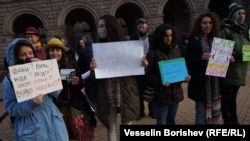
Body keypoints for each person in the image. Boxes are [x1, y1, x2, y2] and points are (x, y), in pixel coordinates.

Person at [89, 14, 148, 141]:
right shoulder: (98, 48)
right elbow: (94, 78)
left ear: (111, 26)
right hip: (107, 93)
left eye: (103, 26)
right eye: (99, 26)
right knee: (111, 128)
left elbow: (138, 71)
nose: (100, 29)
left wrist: (143, 64)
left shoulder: (127, 43)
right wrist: (93, 69)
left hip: (126, 91)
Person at [2, 38, 68, 140]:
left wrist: (44, 71)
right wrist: (31, 104)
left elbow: (57, 91)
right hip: (31, 128)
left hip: (53, 122)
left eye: (30, 53)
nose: (28, 57)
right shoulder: (9, 80)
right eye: (22, 55)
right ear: (14, 57)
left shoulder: (43, 68)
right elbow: (11, 108)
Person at [44, 37, 96, 141]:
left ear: (62, 52)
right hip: (55, 109)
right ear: (48, 52)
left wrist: (78, 82)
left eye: (57, 50)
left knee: (79, 135)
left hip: (74, 106)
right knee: (62, 136)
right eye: (52, 50)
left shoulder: (70, 65)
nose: (55, 53)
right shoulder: (44, 69)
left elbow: (81, 83)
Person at [145, 23, 191, 125]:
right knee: (162, 122)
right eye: (166, 36)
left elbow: (181, 69)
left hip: (175, 93)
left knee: (172, 121)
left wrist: (185, 77)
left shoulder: (177, 51)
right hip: (161, 95)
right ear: (160, 37)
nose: (169, 38)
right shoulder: (153, 53)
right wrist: (161, 81)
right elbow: (147, 76)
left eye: (170, 35)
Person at [185, 12, 222, 125]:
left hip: (214, 83)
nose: (208, 25)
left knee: (215, 115)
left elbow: (220, 62)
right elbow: (188, 62)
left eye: (210, 23)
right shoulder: (193, 41)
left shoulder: (216, 40)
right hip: (200, 85)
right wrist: (200, 58)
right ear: (199, 25)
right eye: (204, 23)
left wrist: (227, 59)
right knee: (201, 116)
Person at [218, 3, 250, 125]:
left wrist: (247, 53)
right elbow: (218, 58)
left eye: (243, 13)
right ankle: (228, 122)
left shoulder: (242, 32)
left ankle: (234, 120)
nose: (242, 16)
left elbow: (246, 52)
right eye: (239, 13)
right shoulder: (225, 32)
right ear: (233, 15)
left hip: (239, 73)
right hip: (227, 74)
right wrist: (237, 55)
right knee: (226, 100)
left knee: (233, 99)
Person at [130, 18, 155, 120]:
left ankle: (152, 110)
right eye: (139, 24)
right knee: (139, 91)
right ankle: (141, 112)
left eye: (143, 24)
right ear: (137, 27)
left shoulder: (152, 37)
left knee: (152, 89)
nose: (141, 26)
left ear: (147, 25)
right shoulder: (133, 38)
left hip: (151, 67)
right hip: (138, 67)